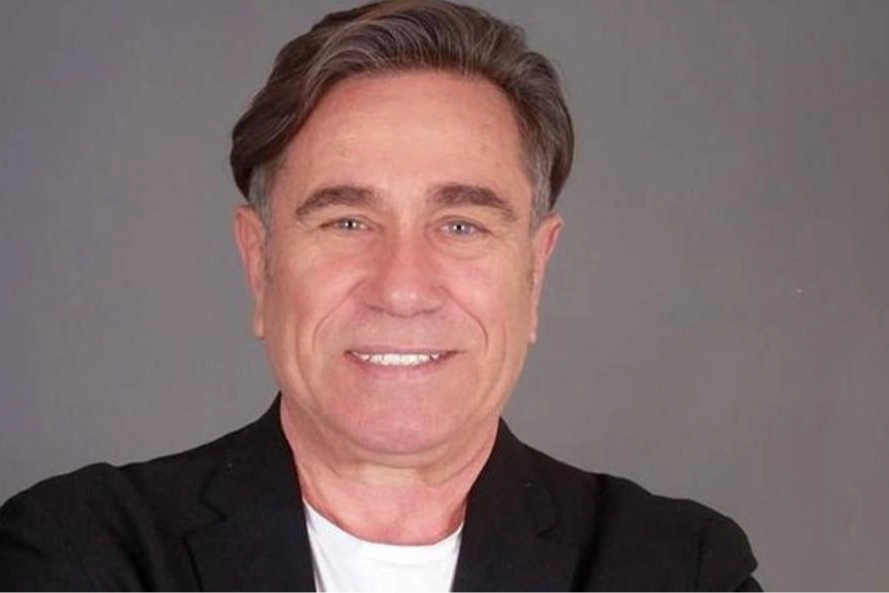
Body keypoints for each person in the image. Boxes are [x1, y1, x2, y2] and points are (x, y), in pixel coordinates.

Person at [0, 1, 761, 591]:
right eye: (347, 221)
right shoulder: (85, 550)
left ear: (535, 271)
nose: (402, 287)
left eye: (460, 225)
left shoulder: (678, 569)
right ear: (260, 263)